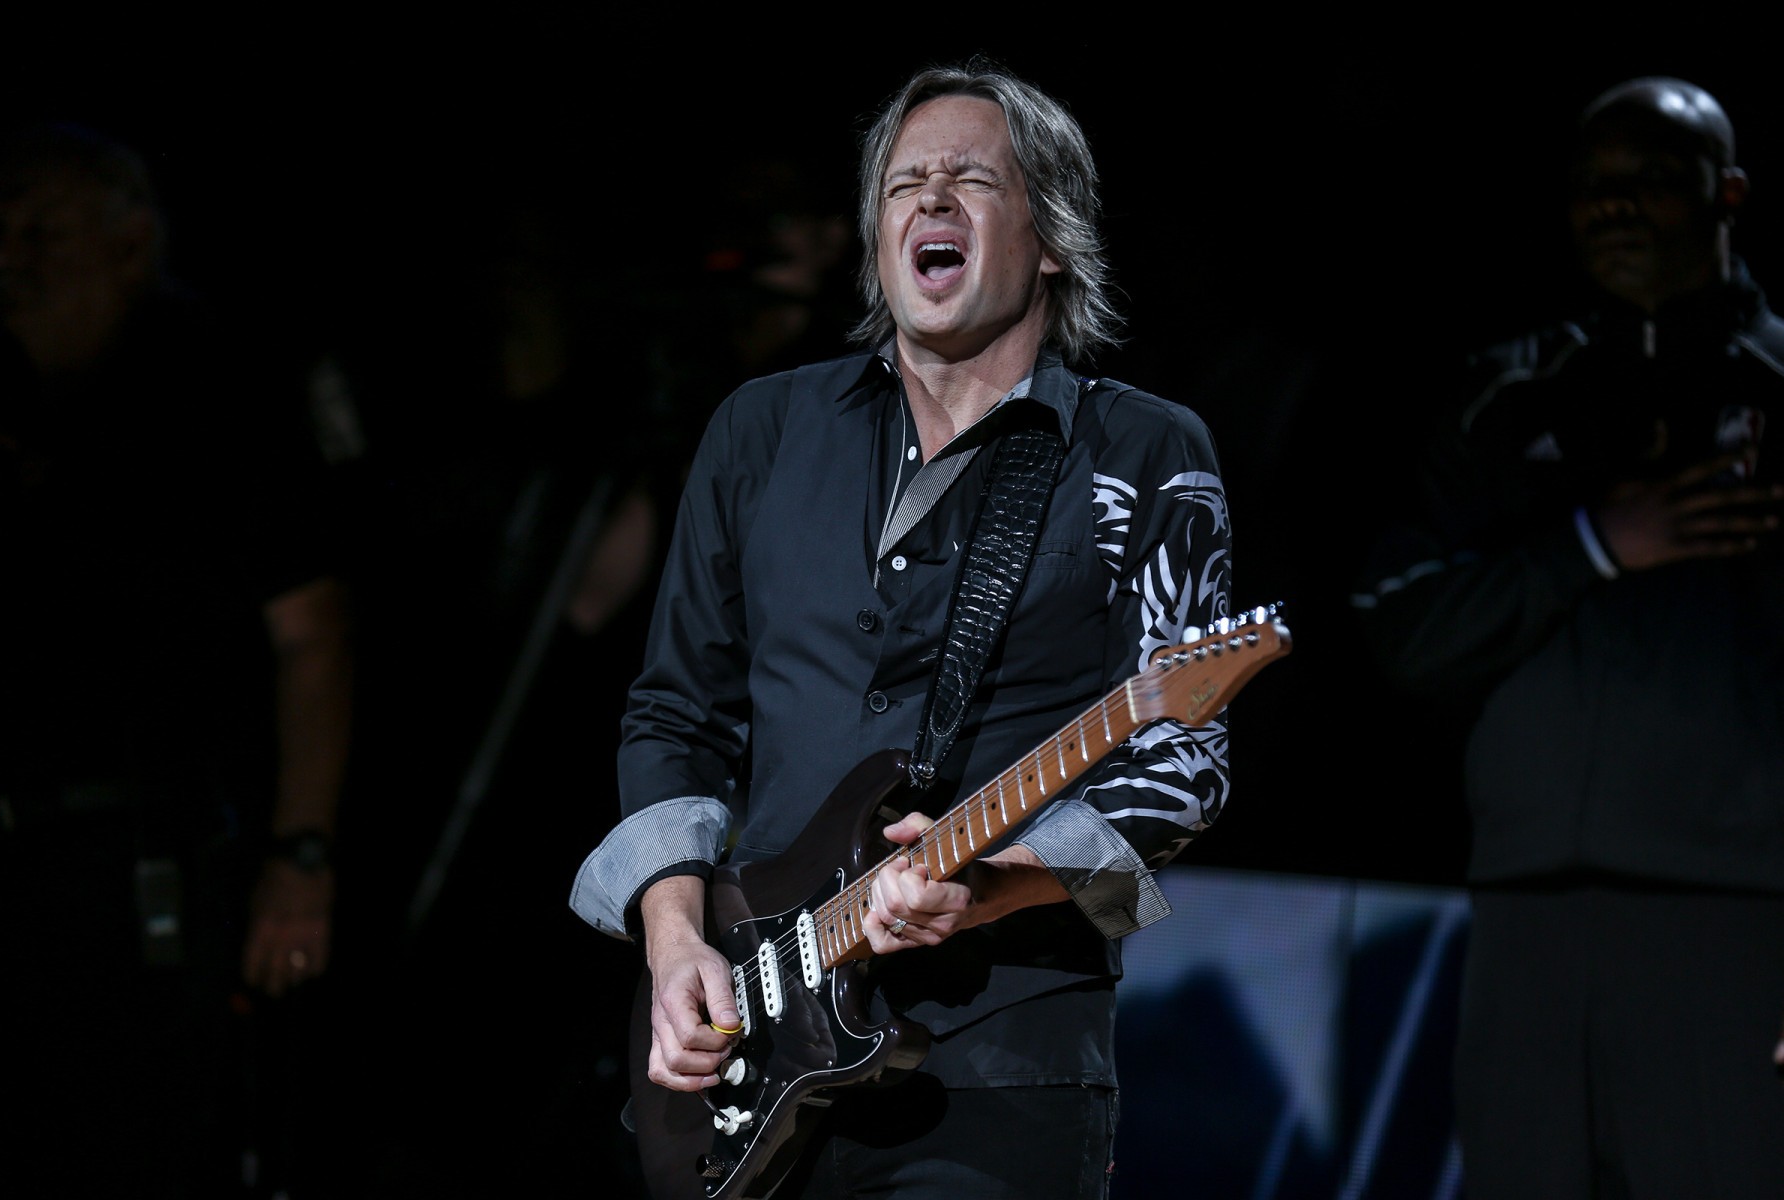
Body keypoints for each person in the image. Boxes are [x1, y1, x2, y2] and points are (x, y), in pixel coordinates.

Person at [570, 59, 1238, 1199]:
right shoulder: (761, 430)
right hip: (754, 1045)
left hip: (1003, 1060)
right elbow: (675, 714)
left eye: (971, 179)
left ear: (1052, 237)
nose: (928, 197)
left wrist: (990, 887)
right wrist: (675, 941)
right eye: (901, 183)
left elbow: (1185, 770)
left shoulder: (1143, 451)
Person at [1349, 77, 1784, 1198]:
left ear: (1728, 194)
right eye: (1594, 184)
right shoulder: (1504, 397)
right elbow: (1398, 628)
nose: (1616, 205)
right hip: (1526, 918)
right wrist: (1592, 544)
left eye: (1654, 177)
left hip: (1732, 925)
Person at [0, 121, 354, 1196]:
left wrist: (301, 860)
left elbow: (314, 635)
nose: (7, 259)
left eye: (41, 232)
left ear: (129, 239)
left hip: (148, 865)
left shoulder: (213, 390)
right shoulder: (6, 400)